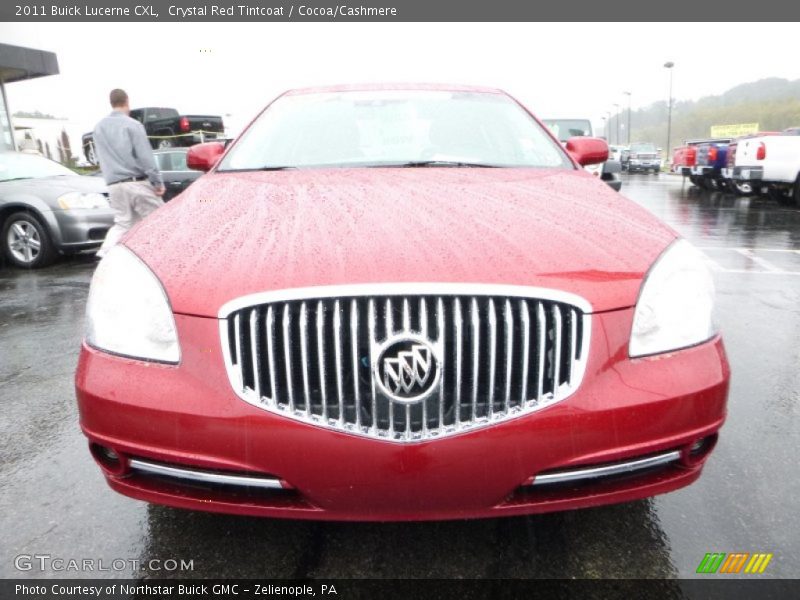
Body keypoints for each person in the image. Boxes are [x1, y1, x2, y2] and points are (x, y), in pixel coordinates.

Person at [93, 89, 165, 258]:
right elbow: (145, 156)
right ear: (127, 101)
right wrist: (157, 182)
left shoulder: (98, 128)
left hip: (114, 185)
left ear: (111, 103)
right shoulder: (132, 125)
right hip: (136, 182)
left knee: (123, 223)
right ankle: (162, 258)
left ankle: (106, 253)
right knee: (159, 219)